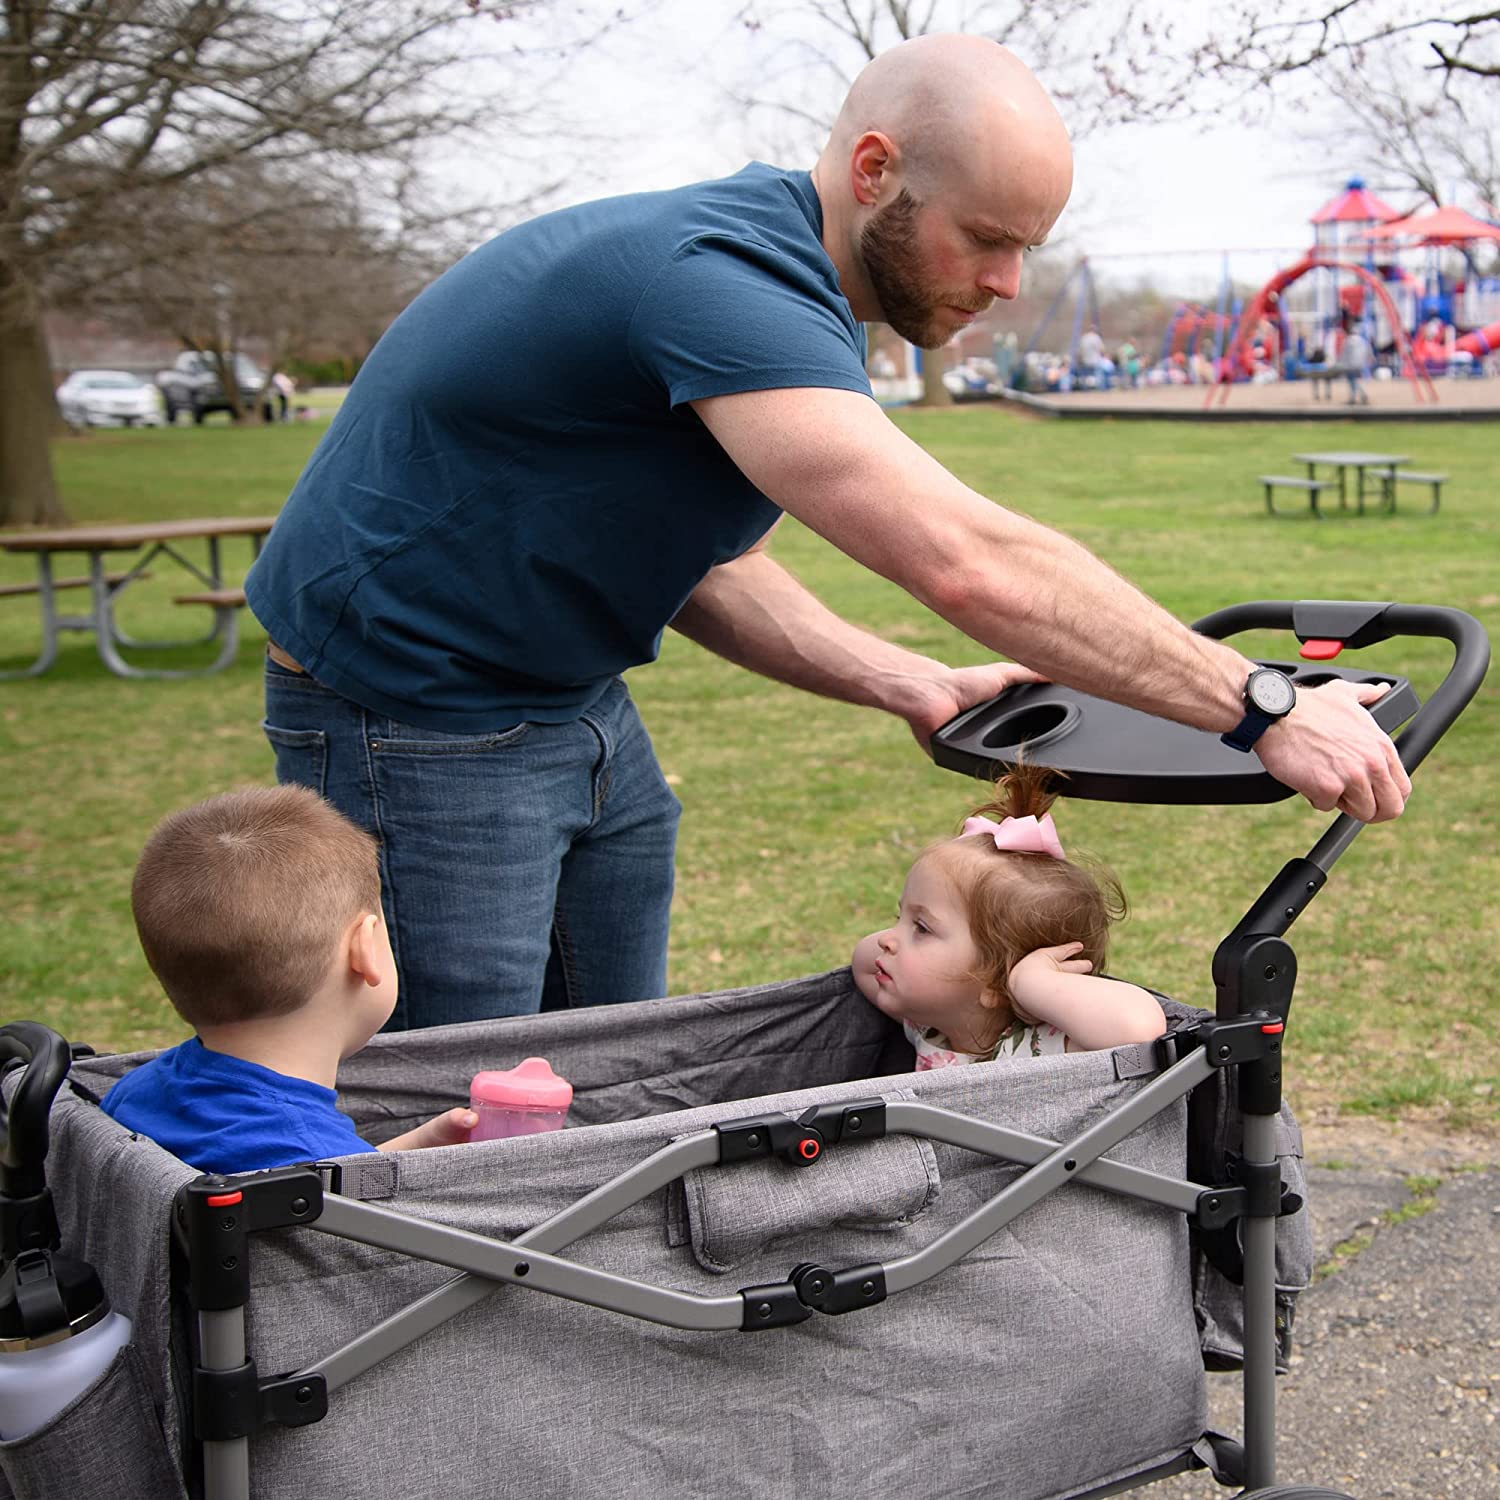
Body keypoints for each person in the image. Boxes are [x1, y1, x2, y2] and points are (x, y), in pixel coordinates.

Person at [244, 34, 1409, 1032]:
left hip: (572, 694)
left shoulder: (792, 292)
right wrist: (1259, 703)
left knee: (602, 1069)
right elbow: (969, 557)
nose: (1008, 282)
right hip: (415, 713)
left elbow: (706, 559)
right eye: (989, 237)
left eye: (1029, 250)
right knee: (468, 1103)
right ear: (873, 171)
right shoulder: (723, 279)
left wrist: (898, 677)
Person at [101, 786, 478, 1172]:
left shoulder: (131, 1095)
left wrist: (414, 1148)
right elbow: (317, 1180)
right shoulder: (311, 1164)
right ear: (363, 951)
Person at [851, 765, 1165, 1067]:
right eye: (898, 916)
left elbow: (1140, 1031)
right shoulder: (930, 1023)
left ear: (995, 985)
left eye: (921, 928)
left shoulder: (1044, 1046)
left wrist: (1032, 982)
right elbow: (863, 964)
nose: (887, 940)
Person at [1338, 314, 1373, 405]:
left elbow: (1344, 354)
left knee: (1352, 381)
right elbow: (1368, 352)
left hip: (1350, 365)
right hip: (1360, 365)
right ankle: (1357, 396)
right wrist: (1369, 360)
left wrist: (1341, 364)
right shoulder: (1362, 341)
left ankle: (1355, 397)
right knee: (1355, 380)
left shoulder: (1347, 341)